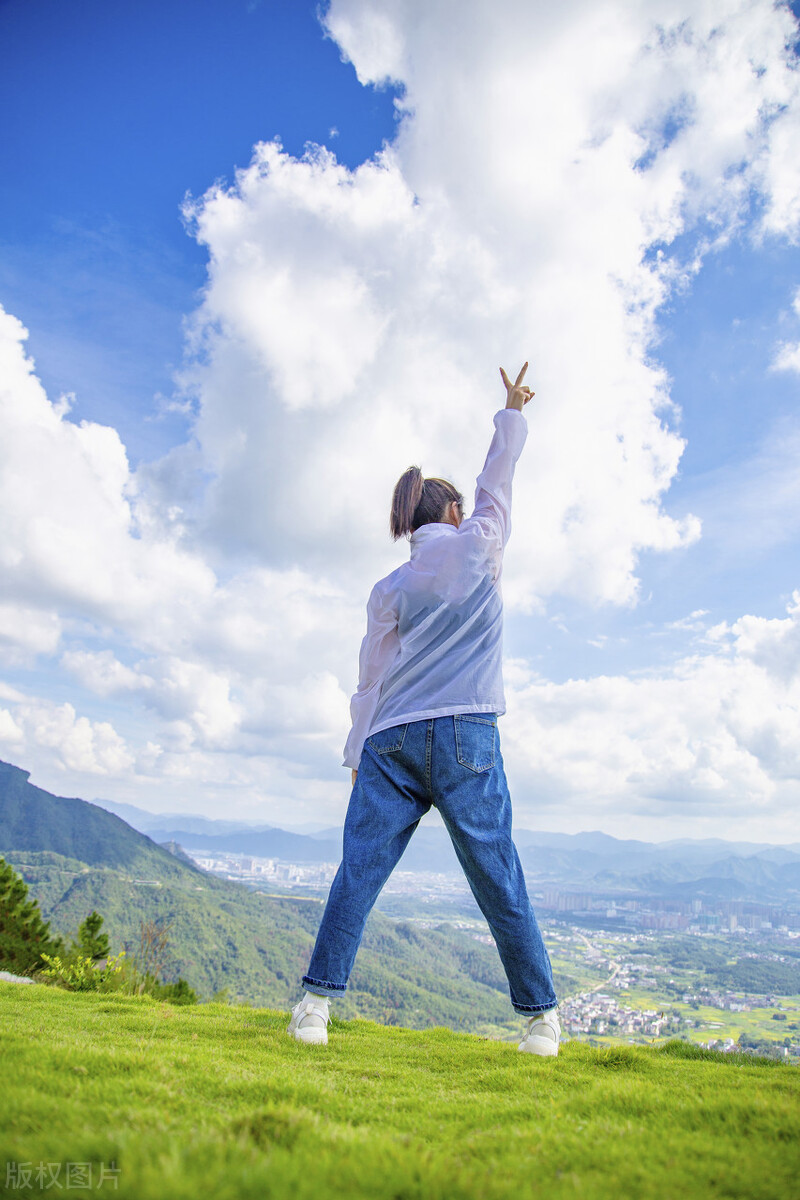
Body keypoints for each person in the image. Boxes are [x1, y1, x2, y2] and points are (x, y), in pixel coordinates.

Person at [288, 363, 560, 1056]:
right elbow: (497, 481)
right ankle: (541, 1025)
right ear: (451, 513)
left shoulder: (389, 585)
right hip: (468, 732)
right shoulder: (481, 547)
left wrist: (357, 757)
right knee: (497, 873)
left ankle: (313, 1011)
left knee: (359, 871)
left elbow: (369, 680)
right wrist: (511, 412)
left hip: (391, 741)